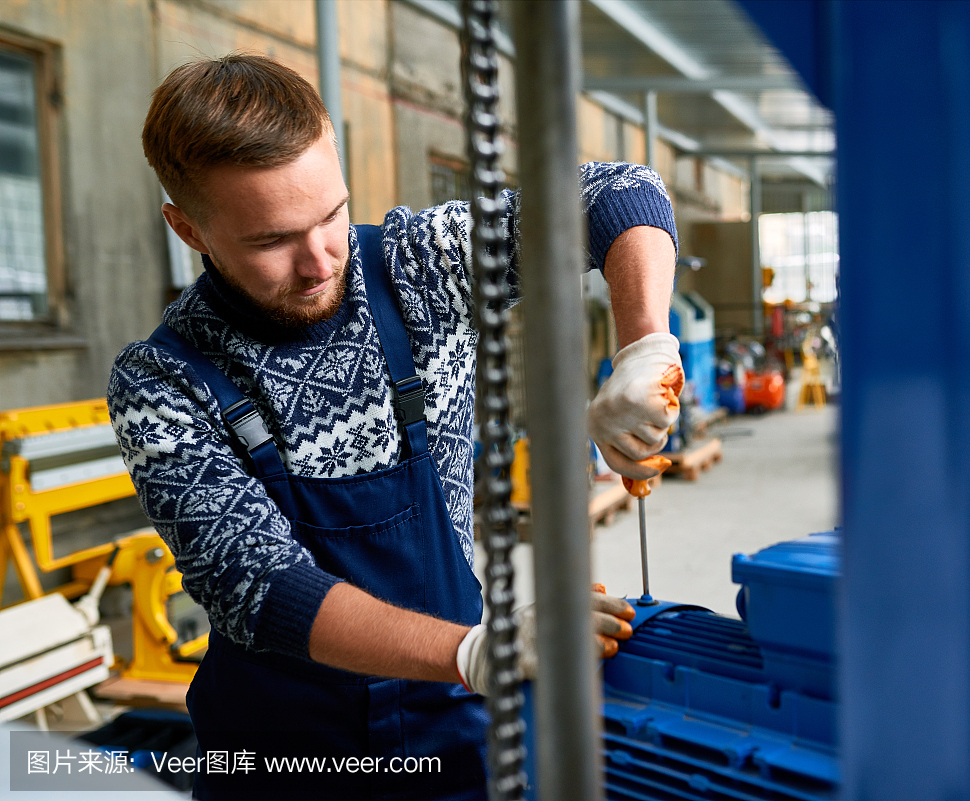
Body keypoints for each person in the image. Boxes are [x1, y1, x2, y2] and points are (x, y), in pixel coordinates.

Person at [107, 54, 684, 800]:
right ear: (189, 228)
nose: (320, 261)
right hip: (281, 754)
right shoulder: (161, 380)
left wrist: (644, 348)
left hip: (453, 727)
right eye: (271, 241)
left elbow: (620, 191)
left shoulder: (419, 268)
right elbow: (262, 586)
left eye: (331, 215)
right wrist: (476, 650)